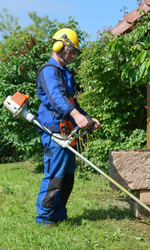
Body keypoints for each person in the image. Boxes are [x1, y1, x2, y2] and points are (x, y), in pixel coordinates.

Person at [35, 28, 100, 225]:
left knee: (67, 178)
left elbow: (71, 102)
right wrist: (75, 115)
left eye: (75, 53)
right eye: (71, 51)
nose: (73, 56)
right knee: (55, 177)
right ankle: (45, 219)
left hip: (67, 132)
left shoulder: (65, 73)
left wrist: (86, 118)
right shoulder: (48, 71)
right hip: (54, 131)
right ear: (59, 46)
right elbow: (57, 99)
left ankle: (58, 215)